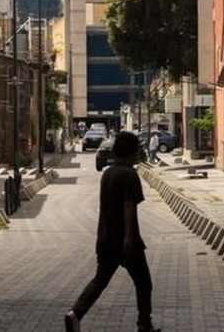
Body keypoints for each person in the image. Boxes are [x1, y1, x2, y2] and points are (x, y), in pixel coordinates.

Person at [65, 132, 160, 332]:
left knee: (100, 280)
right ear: (131, 153)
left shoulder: (107, 174)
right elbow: (128, 206)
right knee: (144, 283)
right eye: (137, 152)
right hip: (125, 242)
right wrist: (129, 237)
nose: (138, 156)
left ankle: (75, 313)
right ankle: (144, 324)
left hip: (105, 238)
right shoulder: (130, 175)